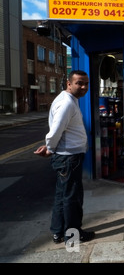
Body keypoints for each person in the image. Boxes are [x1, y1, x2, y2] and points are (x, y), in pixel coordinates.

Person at [34, 70, 95, 245]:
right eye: (79, 83)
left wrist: (51, 147)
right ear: (69, 84)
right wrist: (49, 149)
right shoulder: (67, 103)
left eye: (86, 83)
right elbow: (55, 131)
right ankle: (73, 236)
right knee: (72, 198)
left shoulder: (66, 100)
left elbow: (59, 130)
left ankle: (57, 232)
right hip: (69, 158)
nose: (84, 87)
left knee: (63, 195)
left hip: (67, 157)